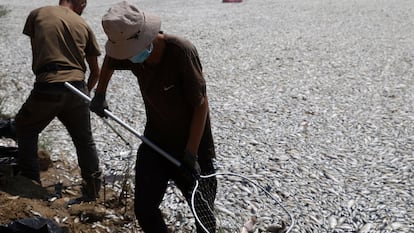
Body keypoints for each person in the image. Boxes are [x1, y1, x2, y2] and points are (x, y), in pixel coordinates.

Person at [90, 1, 217, 232]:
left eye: (129, 52)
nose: (128, 57)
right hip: (155, 141)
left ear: (145, 37)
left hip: (193, 146)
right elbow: (110, 59)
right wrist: (100, 93)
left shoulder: (180, 51)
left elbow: (201, 105)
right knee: (144, 209)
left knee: (203, 213)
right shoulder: (130, 52)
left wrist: (191, 153)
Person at [15, 0, 102, 202]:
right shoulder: (83, 24)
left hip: (48, 84)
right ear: (79, 2)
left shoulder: (37, 14)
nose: (84, 9)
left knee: (25, 126)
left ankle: (30, 182)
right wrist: (84, 94)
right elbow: (95, 71)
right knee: (84, 140)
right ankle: (92, 189)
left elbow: (35, 52)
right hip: (78, 87)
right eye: (84, 5)